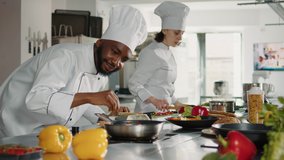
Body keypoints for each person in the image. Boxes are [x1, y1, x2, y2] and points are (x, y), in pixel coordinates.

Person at [0, 5, 147, 137]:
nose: (116, 62)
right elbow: (36, 99)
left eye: (123, 60)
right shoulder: (65, 56)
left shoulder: (101, 73)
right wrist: (90, 96)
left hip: (44, 130)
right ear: (99, 42)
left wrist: (112, 121)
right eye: (115, 51)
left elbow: (82, 103)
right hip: (13, 122)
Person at [128, 1, 189, 113]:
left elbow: (165, 87)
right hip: (148, 114)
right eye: (177, 33)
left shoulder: (168, 53)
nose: (180, 37)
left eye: (182, 33)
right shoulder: (151, 52)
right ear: (165, 30)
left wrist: (176, 103)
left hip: (164, 113)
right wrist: (154, 100)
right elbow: (134, 84)